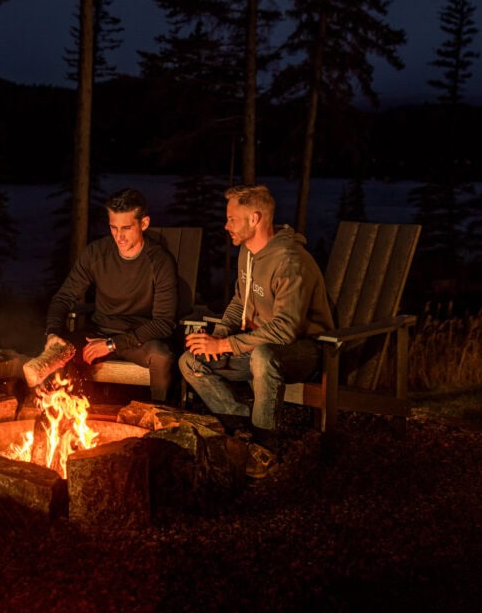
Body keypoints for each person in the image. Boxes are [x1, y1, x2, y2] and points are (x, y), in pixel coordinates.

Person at [179, 184, 335, 478]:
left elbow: (285, 331)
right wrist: (219, 335)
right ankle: (242, 428)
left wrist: (224, 346)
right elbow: (241, 299)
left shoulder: (290, 261)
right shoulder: (248, 253)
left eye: (232, 219)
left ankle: (264, 450)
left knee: (263, 356)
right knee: (190, 360)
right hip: (257, 346)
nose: (226, 226)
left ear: (255, 218)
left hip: (303, 351)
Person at [44, 188, 178, 403]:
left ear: (144, 224)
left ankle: (160, 420)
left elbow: (163, 323)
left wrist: (111, 344)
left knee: (162, 358)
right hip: (97, 332)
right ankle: (68, 422)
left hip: (139, 339)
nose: (119, 236)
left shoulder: (160, 261)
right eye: (113, 228)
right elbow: (63, 297)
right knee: (57, 354)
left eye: (126, 228)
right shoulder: (96, 253)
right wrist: (52, 333)